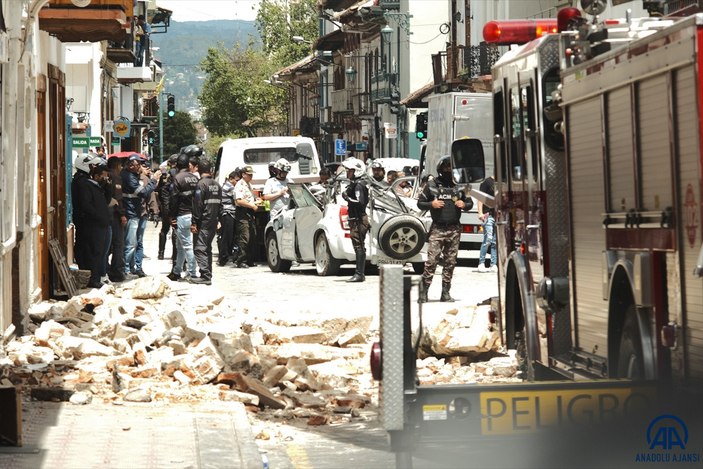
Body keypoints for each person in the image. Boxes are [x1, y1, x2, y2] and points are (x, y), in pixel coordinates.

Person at [417, 157, 472, 302]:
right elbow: (420, 203)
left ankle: (445, 293)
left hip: (454, 229)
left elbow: (470, 202)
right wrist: (431, 204)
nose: (448, 170)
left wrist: (463, 204)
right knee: (432, 261)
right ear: (441, 169)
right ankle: (423, 293)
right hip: (438, 229)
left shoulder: (460, 186)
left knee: (450, 262)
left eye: (451, 168)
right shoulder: (431, 185)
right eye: (446, 167)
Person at [72, 154, 111, 289]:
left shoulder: (86, 181)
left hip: (96, 224)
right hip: (91, 224)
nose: (93, 168)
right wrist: (98, 216)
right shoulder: (82, 183)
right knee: (93, 252)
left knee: (96, 251)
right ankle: (93, 279)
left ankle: (94, 277)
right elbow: (86, 205)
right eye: (91, 165)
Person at [121, 154, 160, 278]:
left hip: (139, 213)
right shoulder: (128, 177)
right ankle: (126, 269)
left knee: (138, 242)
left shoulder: (136, 176)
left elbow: (149, 193)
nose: (141, 167)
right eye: (139, 164)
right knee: (130, 243)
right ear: (131, 165)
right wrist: (153, 179)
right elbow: (142, 192)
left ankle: (135, 268)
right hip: (131, 213)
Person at [167, 149, 200, 281]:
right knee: (180, 245)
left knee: (186, 245)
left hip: (181, 215)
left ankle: (192, 272)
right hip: (192, 215)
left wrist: (171, 216)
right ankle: (176, 271)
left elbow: (173, 199)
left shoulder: (177, 178)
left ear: (177, 165)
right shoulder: (194, 178)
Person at [190, 160, 222, 285]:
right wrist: (219, 219)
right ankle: (208, 273)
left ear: (198, 169)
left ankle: (205, 275)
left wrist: (194, 222)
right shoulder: (216, 185)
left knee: (199, 248)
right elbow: (220, 205)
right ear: (211, 170)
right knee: (207, 248)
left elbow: (197, 206)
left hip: (203, 221)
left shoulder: (201, 185)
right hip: (213, 221)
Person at [341, 157, 369, 283]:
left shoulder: (359, 185)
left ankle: (359, 273)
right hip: (354, 218)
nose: (348, 173)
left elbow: (360, 202)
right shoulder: (355, 184)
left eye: (350, 171)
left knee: (359, 245)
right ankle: (359, 273)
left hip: (358, 218)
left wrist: (347, 198)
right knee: (357, 245)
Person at [233, 165, 262, 269]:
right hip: (242, 212)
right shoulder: (240, 185)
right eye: (249, 174)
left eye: (251, 174)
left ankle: (249, 259)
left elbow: (250, 197)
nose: (251, 176)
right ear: (243, 174)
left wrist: (256, 201)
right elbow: (239, 201)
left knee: (252, 236)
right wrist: (252, 205)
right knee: (244, 237)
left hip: (250, 212)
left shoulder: (248, 185)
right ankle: (241, 260)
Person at [106, 156, 127, 282]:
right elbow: (118, 198)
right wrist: (122, 214)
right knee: (118, 244)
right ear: (117, 165)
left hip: (106, 214)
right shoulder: (115, 177)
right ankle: (117, 272)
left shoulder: (106, 175)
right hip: (114, 214)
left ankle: (106, 269)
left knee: (107, 244)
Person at [217, 169, 241, 266]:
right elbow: (238, 198)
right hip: (228, 214)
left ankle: (226, 257)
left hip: (229, 214)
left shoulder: (227, 185)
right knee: (227, 237)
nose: (238, 182)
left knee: (228, 236)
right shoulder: (229, 187)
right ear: (231, 179)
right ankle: (224, 258)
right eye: (236, 180)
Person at [157, 154, 178, 261]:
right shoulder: (180, 174)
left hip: (166, 206)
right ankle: (175, 255)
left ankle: (161, 253)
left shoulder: (165, 176)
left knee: (164, 230)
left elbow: (160, 191)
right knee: (175, 231)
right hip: (175, 207)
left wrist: (162, 206)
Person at [477, 173, 497, 273]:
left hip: (499, 215)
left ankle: (493, 264)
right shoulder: (487, 182)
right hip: (488, 214)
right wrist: (480, 212)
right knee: (488, 239)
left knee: (495, 241)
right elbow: (480, 198)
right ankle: (481, 262)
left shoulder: (503, 182)